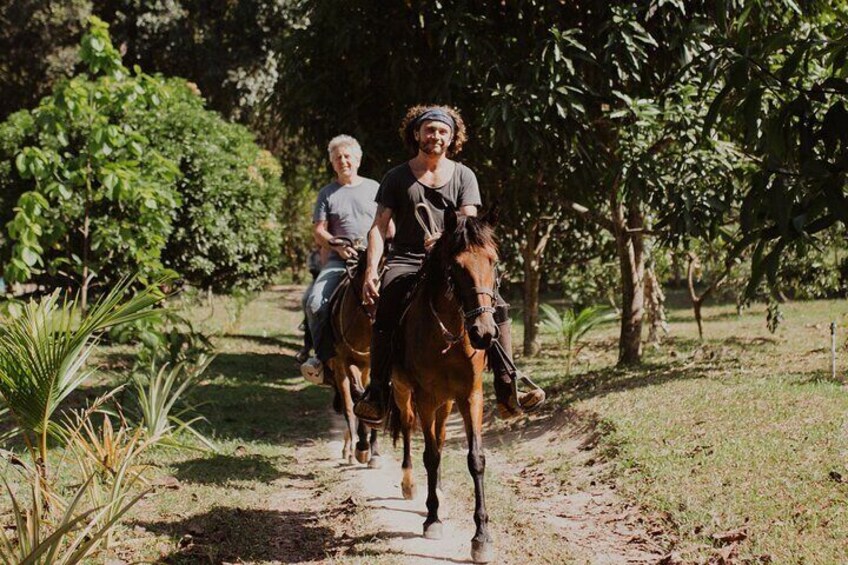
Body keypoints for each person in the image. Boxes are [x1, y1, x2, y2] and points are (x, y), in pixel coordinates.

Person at [354, 105, 546, 425]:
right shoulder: (396, 177)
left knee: (495, 305)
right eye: (430, 130)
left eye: (443, 131)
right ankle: (378, 393)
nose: (436, 136)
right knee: (387, 305)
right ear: (416, 134)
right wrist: (373, 270)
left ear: (452, 137)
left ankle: (507, 386)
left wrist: (445, 240)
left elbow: (469, 224)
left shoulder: (463, 175)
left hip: (451, 259)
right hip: (408, 259)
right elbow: (378, 226)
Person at [300, 135, 379, 386]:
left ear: (358, 159)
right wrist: (335, 243)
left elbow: (387, 225)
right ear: (332, 163)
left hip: (374, 259)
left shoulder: (375, 188)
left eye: (347, 156)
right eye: (338, 158)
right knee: (313, 302)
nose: (343, 161)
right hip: (339, 260)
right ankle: (323, 361)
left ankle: (403, 358)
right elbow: (319, 231)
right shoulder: (327, 193)